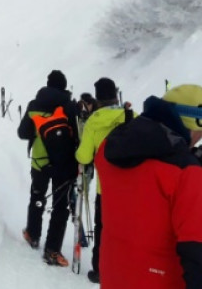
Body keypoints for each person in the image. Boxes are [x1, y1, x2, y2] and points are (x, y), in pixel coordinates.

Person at [95, 84, 202, 289]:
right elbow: (199, 257)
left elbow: (142, 198)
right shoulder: (185, 174)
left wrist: (190, 168)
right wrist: (193, 174)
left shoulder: (108, 149)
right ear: (191, 124)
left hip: (114, 276)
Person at [17, 70, 80, 267]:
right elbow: (78, 135)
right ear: (64, 86)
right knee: (60, 207)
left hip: (40, 161)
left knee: (37, 197)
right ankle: (52, 251)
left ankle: (33, 235)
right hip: (64, 164)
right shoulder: (69, 106)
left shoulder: (34, 105)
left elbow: (23, 133)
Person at [74, 78, 132, 284]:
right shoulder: (130, 116)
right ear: (115, 95)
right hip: (133, 186)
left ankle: (100, 270)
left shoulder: (94, 121)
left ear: (97, 98)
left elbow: (84, 157)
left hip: (106, 187)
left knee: (103, 229)